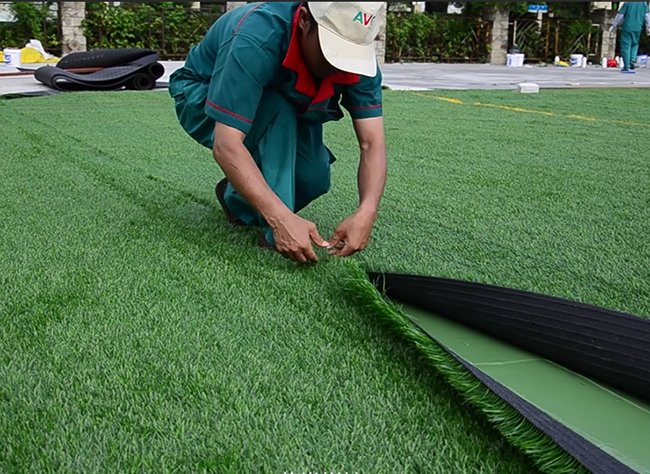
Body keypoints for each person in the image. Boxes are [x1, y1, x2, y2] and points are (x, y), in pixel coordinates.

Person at [168, 2, 387, 264]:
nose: (341, 65)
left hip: (288, 101)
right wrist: (280, 219)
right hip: (202, 96)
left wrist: (367, 211)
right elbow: (226, 144)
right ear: (305, 20)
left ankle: (235, 196)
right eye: (333, 51)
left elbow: (371, 142)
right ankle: (274, 236)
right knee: (277, 106)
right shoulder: (256, 36)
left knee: (313, 178)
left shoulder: (355, 52)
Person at [609, 1, 650, 73]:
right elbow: (647, 16)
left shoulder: (628, 3)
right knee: (635, 44)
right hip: (638, 28)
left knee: (626, 46)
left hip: (627, 27)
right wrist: (648, 27)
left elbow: (620, 15)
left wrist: (614, 25)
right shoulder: (644, 4)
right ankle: (632, 60)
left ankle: (626, 66)